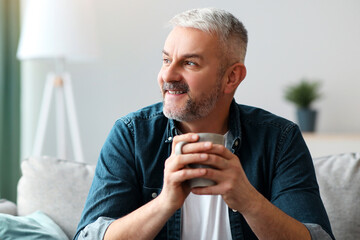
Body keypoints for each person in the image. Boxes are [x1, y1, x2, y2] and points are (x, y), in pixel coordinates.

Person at [74, 8, 334, 240]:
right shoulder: (131, 135)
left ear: (232, 77)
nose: (168, 75)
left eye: (189, 63)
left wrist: (249, 201)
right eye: (166, 60)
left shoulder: (279, 139)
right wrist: (165, 202)